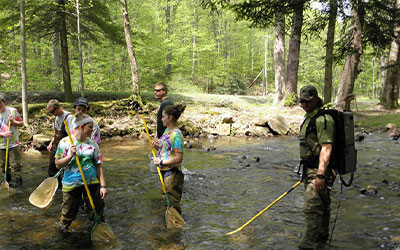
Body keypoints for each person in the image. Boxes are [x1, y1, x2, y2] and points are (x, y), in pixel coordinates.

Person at [297, 86, 336, 250]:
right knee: (323, 206)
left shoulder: (322, 120)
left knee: (312, 209)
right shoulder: (309, 117)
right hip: (310, 170)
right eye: (301, 101)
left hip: (319, 171)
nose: (304, 104)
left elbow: (327, 147)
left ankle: (306, 246)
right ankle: (321, 243)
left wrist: (320, 175)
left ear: (315, 99)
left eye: (307, 100)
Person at [55, 112, 107, 234]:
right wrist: (70, 155)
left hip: (92, 183)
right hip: (71, 184)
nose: (92, 130)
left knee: (97, 212)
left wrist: (103, 185)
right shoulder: (64, 142)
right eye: (90, 127)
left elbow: (98, 165)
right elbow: (58, 164)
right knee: (67, 214)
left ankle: (99, 232)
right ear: (82, 126)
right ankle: (64, 234)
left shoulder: (93, 144)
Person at [153, 104, 186, 214]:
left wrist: (161, 161)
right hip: (164, 171)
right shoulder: (167, 130)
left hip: (171, 173)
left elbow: (178, 158)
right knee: (166, 200)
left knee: (172, 203)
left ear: (170, 118)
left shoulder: (176, 135)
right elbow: (167, 150)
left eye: (163, 116)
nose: (161, 119)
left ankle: (176, 227)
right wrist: (158, 147)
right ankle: (168, 225)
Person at [47, 99, 74, 181]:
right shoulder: (56, 118)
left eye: (52, 112)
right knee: (52, 170)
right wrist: (51, 143)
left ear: (58, 108)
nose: (52, 114)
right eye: (50, 113)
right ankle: (55, 187)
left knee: (65, 170)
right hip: (55, 148)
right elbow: (56, 133)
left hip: (64, 148)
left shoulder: (69, 118)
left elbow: (72, 135)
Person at [0, 93, 24, 187]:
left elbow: (21, 123)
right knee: (3, 165)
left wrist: (13, 122)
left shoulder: (12, 111)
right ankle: (7, 180)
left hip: (13, 143)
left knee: (16, 164)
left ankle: (18, 180)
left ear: (4, 102)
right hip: (1, 144)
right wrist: (3, 134)